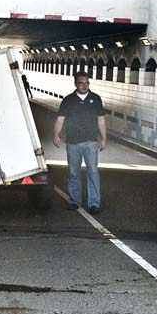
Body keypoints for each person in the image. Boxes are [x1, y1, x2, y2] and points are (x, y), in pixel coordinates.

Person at [53, 70, 107, 213]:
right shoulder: (68, 100)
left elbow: (101, 119)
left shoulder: (95, 99)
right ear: (75, 84)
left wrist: (103, 138)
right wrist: (56, 135)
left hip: (91, 141)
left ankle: (94, 204)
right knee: (73, 172)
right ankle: (74, 201)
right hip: (72, 142)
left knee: (93, 171)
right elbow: (60, 118)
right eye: (81, 83)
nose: (84, 86)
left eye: (87, 83)